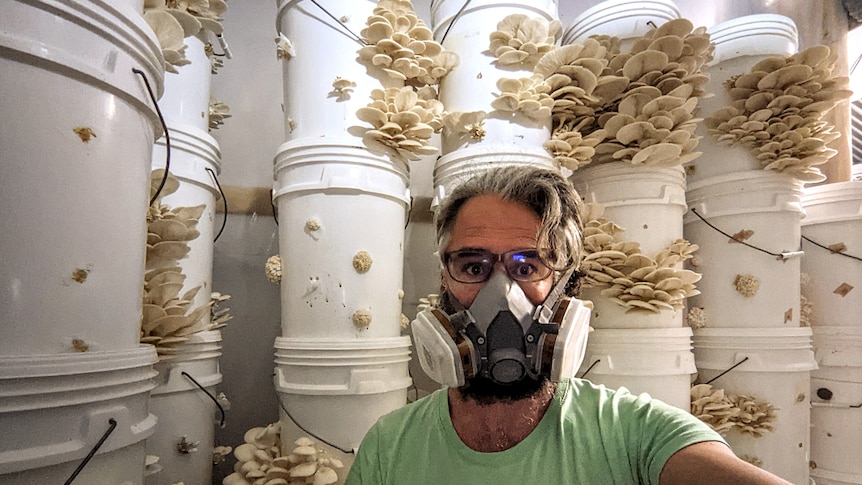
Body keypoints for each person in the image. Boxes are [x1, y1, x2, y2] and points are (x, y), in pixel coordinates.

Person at [345, 165, 792, 485]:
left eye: (527, 267)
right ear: (444, 279)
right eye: (473, 265)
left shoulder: (636, 434)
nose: (500, 293)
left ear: (567, 286)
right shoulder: (390, 445)